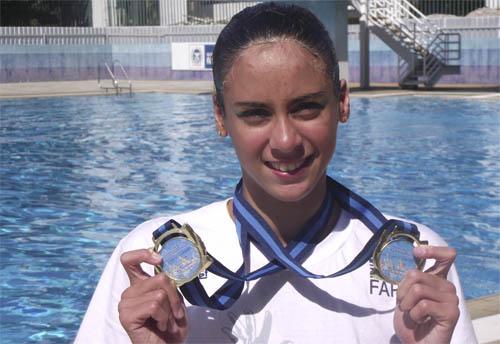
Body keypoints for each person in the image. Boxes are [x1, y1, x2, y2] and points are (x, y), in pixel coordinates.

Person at [76, 2, 476, 343]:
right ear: (220, 116)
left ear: (342, 103)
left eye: (306, 107)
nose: (285, 140)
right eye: (255, 113)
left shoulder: (418, 259)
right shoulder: (152, 260)